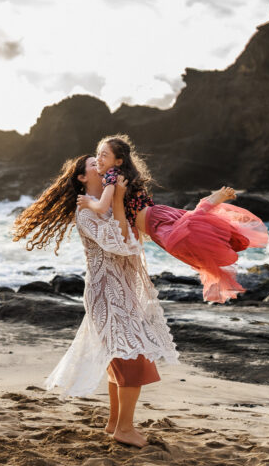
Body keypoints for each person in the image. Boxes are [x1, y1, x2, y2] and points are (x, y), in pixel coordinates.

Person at [12, 155, 178, 448]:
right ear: (81, 178)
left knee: (120, 357)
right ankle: (125, 429)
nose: (103, 168)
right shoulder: (86, 212)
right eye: (94, 166)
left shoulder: (112, 205)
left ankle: (116, 424)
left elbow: (136, 242)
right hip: (107, 294)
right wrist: (117, 201)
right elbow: (119, 245)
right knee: (131, 359)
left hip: (124, 292)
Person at [80, 135, 268, 303]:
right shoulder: (120, 176)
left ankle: (208, 203)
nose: (98, 159)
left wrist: (88, 202)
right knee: (189, 238)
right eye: (98, 154)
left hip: (155, 221)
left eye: (104, 155)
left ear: (118, 161)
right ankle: (213, 220)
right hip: (156, 218)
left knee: (180, 239)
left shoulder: (111, 177)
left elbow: (104, 206)